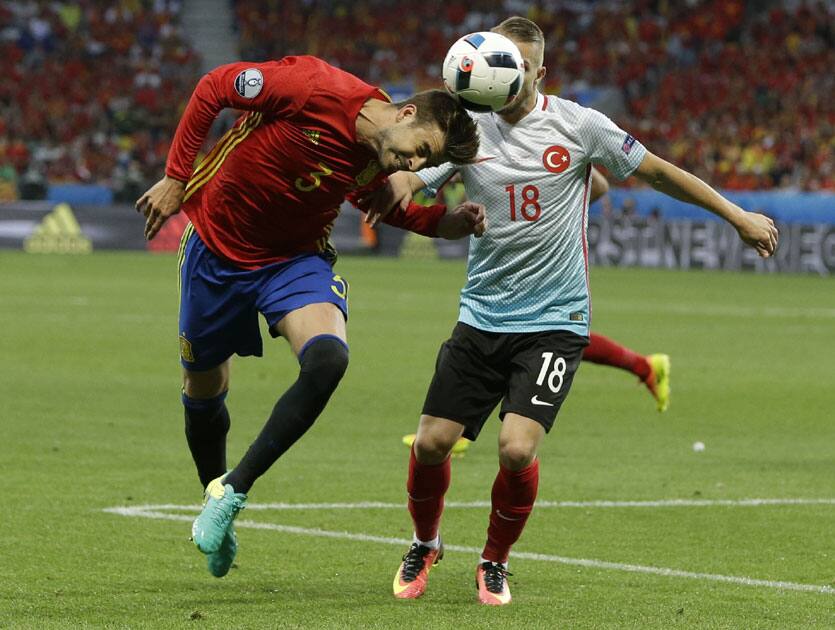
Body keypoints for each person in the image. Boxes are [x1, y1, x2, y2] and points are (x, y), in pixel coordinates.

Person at [369, 17, 777, 605]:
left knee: (516, 449)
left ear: (538, 70)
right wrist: (402, 185)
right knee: (430, 443)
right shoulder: (466, 129)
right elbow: (418, 172)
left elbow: (658, 171)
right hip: (482, 315)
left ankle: (495, 561)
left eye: (525, 66)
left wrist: (737, 216)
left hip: (555, 322)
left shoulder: (580, 124)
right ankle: (425, 542)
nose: (513, 75)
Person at [135, 55, 484, 579]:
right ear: (405, 112)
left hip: (294, 260)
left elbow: (383, 205)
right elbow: (214, 88)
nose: (415, 168)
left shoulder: (378, 156)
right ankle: (213, 497)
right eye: (422, 152)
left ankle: (233, 491)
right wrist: (174, 177)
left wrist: (446, 224)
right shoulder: (313, 87)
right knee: (202, 387)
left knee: (327, 359)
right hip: (217, 249)